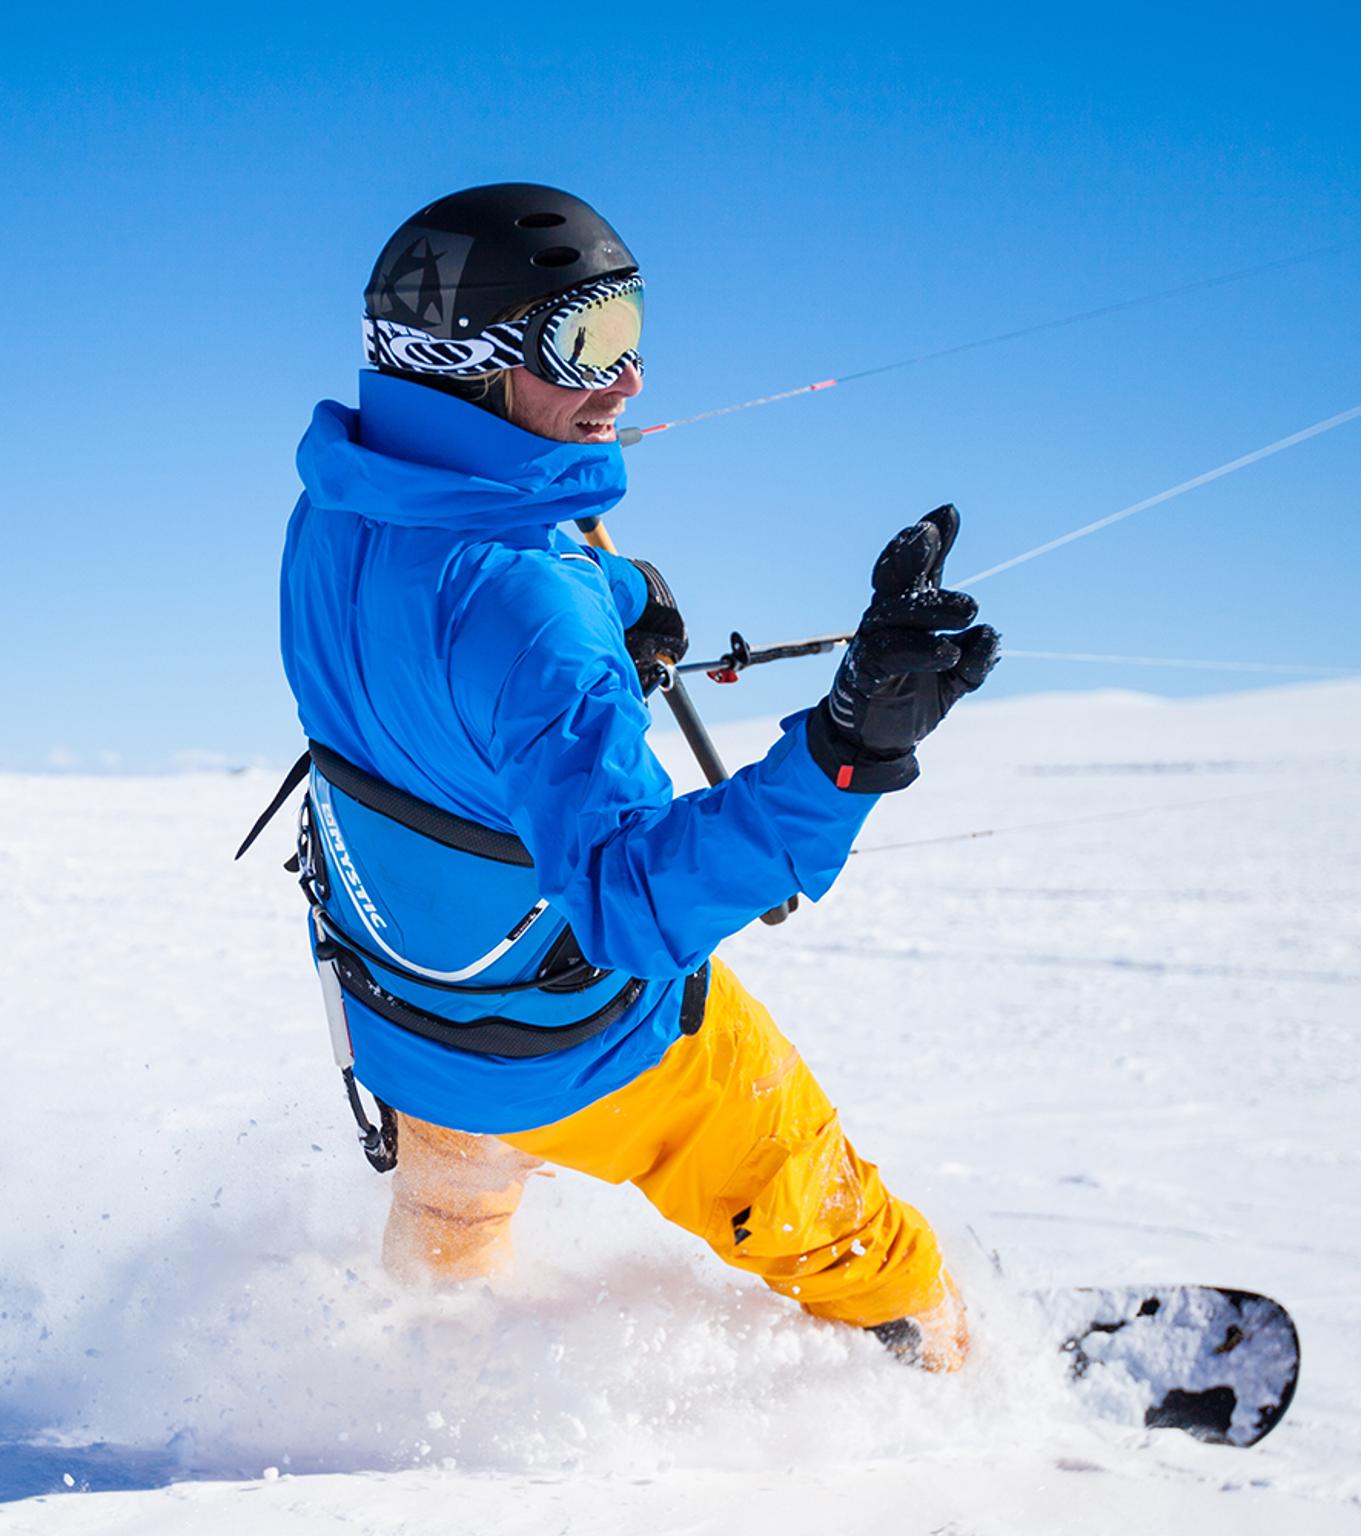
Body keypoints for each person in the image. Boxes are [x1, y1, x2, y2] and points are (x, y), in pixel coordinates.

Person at [267, 183, 999, 1371]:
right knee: (803, 1188)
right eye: (586, 342)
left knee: (453, 1225)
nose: (631, 377)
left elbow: (440, 607)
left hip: (405, 1027)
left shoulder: (331, 516)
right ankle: (947, 1360)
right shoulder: (530, 611)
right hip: (587, 1049)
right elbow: (629, 906)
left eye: (632, 329)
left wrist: (617, 593)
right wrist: (846, 752)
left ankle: (411, 1373)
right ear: (469, 363)